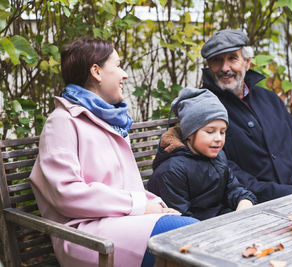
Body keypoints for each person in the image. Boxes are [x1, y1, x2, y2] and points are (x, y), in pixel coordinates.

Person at [29, 37, 198, 267]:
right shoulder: (62, 121)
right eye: (117, 65)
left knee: (190, 239)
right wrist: (138, 205)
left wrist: (154, 203)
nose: (124, 74)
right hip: (86, 236)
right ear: (96, 71)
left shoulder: (112, 122)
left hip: (124, 224)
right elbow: (66, 193)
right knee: (187, 236)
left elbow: (128, 189)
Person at [200, 29, 292, 203]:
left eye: (232, 58)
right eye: (217, 61)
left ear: (247, 63)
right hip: (249, 207)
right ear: (209, 67)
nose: (225, 68)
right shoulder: (205, 108)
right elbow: (222, 171)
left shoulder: (269, 99)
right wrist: (284, 193)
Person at [147, 87, 257, 221]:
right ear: (190, 134)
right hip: (194, 231)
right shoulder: (171, 171)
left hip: (222, 221)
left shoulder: (218, 156)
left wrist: (244, 200)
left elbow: (233, 188)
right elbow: (180, 219)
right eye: (210, 131)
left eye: (222, 132)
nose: (218, 138)